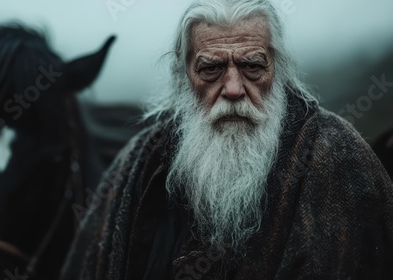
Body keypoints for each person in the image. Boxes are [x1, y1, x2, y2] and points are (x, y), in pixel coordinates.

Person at [61, 0, 393, 279]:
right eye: (211, 69)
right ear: (184, 76)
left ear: (277, 69)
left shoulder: (338, 156)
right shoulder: (139, 163)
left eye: (251, 66)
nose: (233, 89)